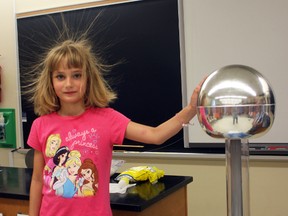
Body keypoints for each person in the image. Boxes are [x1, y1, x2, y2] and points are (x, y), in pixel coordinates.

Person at [27, 38, 203, 216]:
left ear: (89, 78)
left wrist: (191, 110)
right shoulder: (40, 125)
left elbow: (155, 135)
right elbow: (37, 180)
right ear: (50, 81)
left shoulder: (107, 119)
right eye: (60, 76)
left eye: (77, 75)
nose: (69, 83)